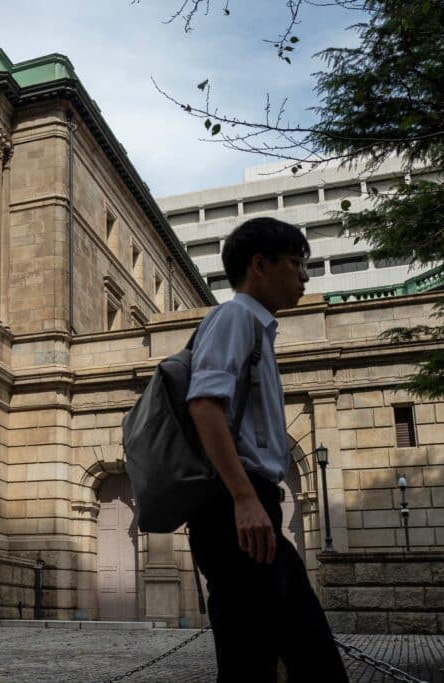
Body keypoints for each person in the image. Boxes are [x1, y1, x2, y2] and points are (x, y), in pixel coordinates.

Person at [186, 217, 347, 681]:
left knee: (265, 659)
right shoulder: (235, 317)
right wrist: (243, 497)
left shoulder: (256, 329)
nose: (304, 276)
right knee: (280, 658)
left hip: (248, 508)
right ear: (260, 265)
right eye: (296, 263)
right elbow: (204, 405)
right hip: (236, 510)